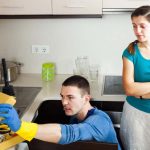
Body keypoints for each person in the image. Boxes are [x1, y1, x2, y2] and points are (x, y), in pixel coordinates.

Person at [0, 75, 120, 149]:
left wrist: (21, 126)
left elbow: (69, 134)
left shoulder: (99, 121)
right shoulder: (75, 116)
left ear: (86, 99)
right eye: (62, 96)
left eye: (70, 97)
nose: (64, 102)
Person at [120, 5, 150, 150]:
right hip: (136, 115)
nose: (137, 31)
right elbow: (129, 88)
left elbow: (135, 87)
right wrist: (135, 89)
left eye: (142, 26)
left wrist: (141, 89)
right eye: (134, 26)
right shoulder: (130, 51)